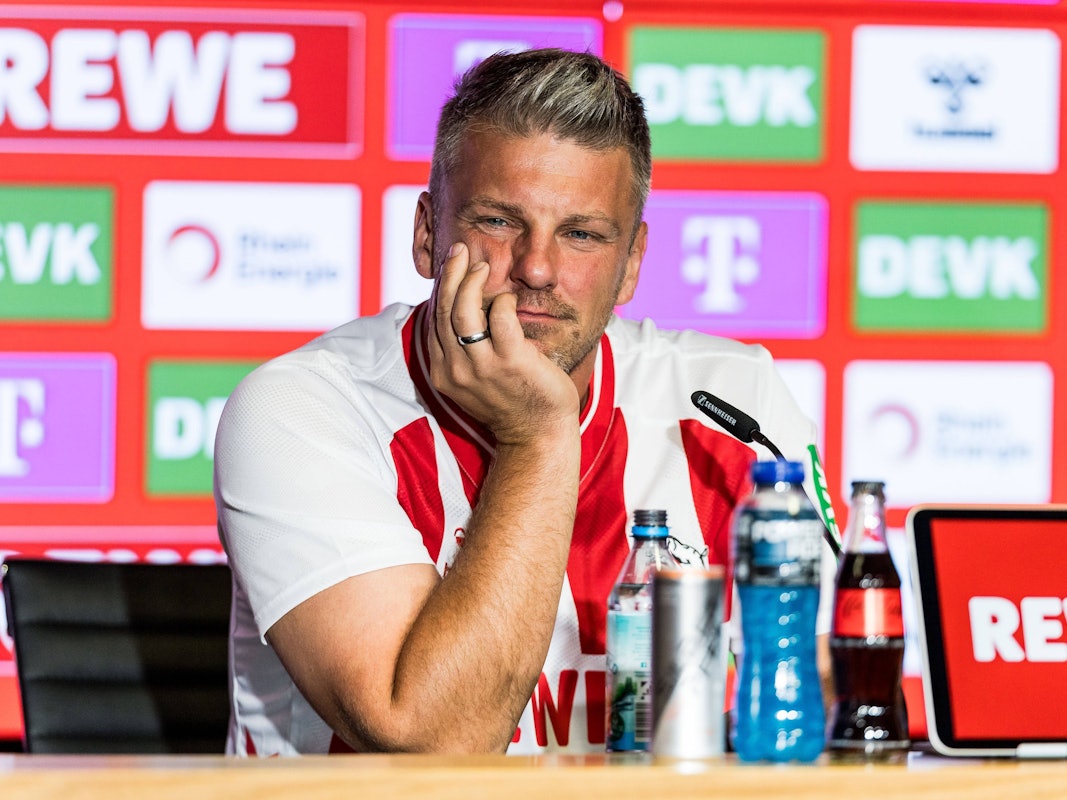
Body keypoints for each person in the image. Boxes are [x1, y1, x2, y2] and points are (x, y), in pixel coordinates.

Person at [214, 48, 839, 757]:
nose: (537, 268)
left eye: (581, 234)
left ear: (631, 261)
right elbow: (433, 743)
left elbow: (817, 705)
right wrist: (537, 438)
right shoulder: (300, 408)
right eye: (499, 222)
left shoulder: (732, 405)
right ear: (427, 234)